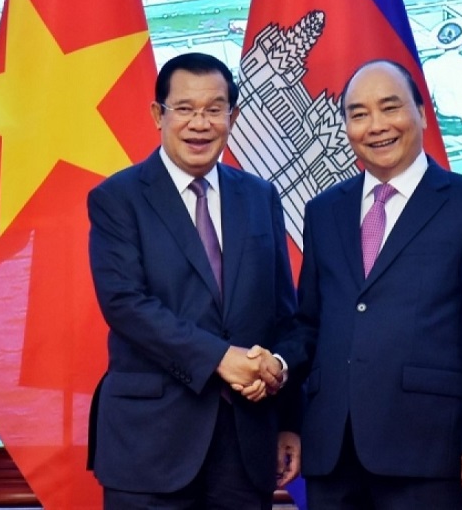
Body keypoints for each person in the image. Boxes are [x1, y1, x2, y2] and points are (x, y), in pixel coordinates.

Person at [294, 59, 462, 509]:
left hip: (429, 452)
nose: (376, 126)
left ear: (421, 112)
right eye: (359, 114)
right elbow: (311, 325)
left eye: (390, 107)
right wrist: (282, 397)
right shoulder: (323, 211)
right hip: (333, 454)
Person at [87, 52, 302, 509]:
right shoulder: (117, 198)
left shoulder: (260, 196)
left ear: (233, 117)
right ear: (158, 115)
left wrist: (283, 395)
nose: (199, 124)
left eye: (214, 109)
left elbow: (284, 316)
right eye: (184, 109)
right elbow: (125, 304)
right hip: (149, 445)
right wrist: (221, 358)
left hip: (246, 442)